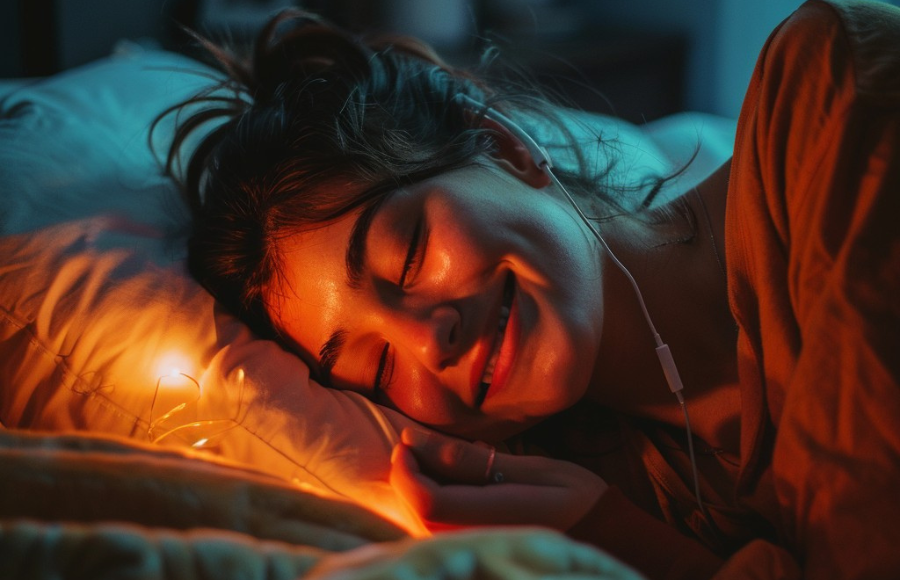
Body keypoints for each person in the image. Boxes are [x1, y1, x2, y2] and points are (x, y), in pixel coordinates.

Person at [163, 0, 900, 578]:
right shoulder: (604, 492)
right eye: (377, 368)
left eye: (409, 255)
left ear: (507, 147)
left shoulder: (828, 99)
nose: (427, 339)